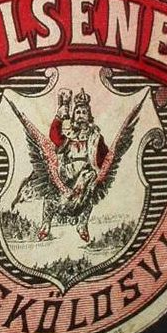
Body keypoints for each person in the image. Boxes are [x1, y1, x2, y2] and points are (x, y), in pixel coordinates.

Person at [41, 88, 108, 242]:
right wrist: (59, 116)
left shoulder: (95, 137)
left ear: (89, 116)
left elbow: (104, 156)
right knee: (51, 196)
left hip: (85, 175)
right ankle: (46, 223)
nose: (81, 115)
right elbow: (54, 137)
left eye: (84, 112)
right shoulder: (69, 135)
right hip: (67, 173)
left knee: (88, 198)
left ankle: (82, 225)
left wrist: (99, 172)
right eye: (78, 112)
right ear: (73, 116)